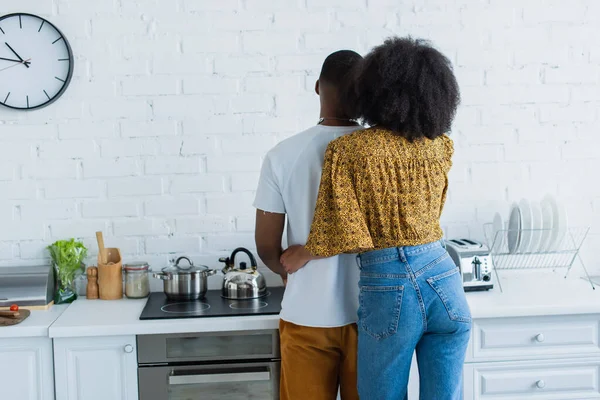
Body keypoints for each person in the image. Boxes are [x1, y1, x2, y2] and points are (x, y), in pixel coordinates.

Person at [280, 37, 471, 400]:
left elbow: (344, 231)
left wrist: (301, 254)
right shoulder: (440, 145)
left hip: (391, 282)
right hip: (444, 277)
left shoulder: (349, 150)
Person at [253, 50, 364, 400]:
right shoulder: (381, 153)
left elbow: (267, 246)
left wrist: (289, 269)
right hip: (374, 315)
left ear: (318, 87)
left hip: (306, 315)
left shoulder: (283, 155)